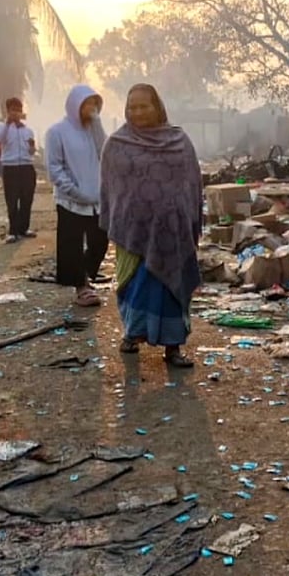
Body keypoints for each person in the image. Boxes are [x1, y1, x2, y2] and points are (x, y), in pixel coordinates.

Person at [100, 84, 202, 366]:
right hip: (132, 233)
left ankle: (173, 346)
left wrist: (187, 217)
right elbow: (110, 188)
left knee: (171, 287)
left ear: (157, 107)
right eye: (132, 107)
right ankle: (132, 334)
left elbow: (193, 184)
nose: (138, 112)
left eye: (144, 106)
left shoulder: (179, 142)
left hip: (173, 233)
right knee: (136, 285)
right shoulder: (116, 145)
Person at [46, 84, 109, 308]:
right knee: (71, 244)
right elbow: (55, 168)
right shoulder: (57, 132)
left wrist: (97, 123)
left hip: (96, 199)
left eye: (95, 103)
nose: (91, 108)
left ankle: (86, 275)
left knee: (100, 241)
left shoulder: (94, 130)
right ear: (75, 105)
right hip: (71, 200)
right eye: (87, 103)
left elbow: (106, 153)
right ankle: (81, 286)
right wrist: (74, 191)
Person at [0, 98, 37, 243]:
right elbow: (0, 139)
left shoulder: (28, 131)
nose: (16, 113)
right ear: (8, 111)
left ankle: (24, 228)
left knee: (27, 199)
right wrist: (8, 123)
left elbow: (31, 152)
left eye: (18, 110)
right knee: (12, 200)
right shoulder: (2, 127)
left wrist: (32, 148)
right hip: (11, 168)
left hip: (27, 167)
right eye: (13, 110)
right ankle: (13, 231)